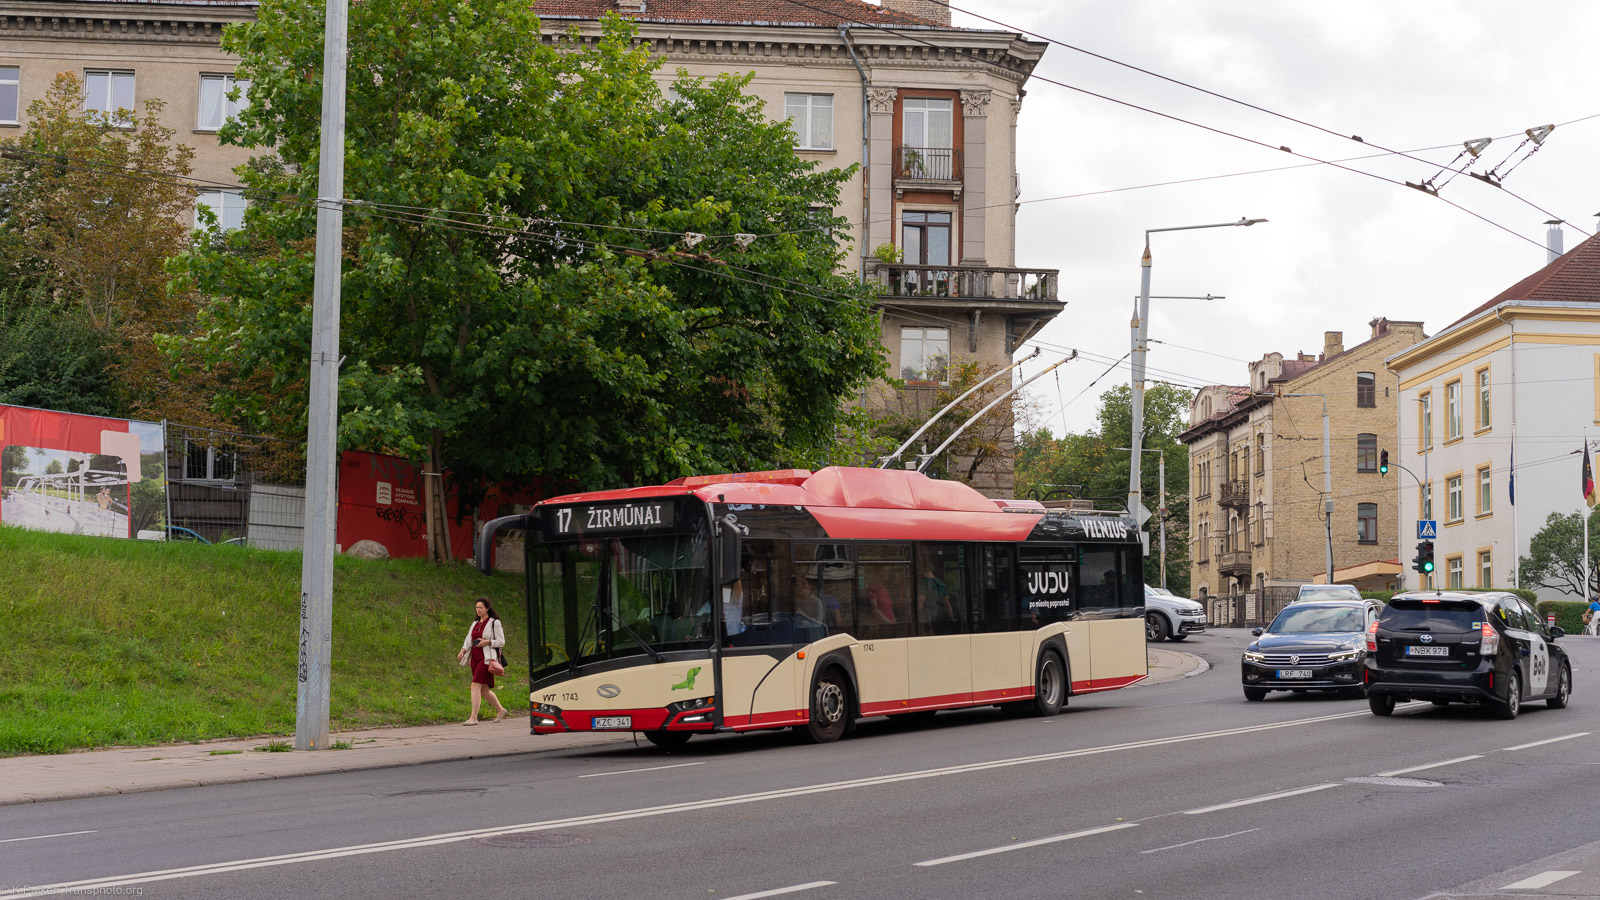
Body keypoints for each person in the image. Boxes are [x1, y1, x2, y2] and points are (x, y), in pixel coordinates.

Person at [457, 597, 508, 725]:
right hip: (475, 658)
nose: (478, 610)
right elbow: (469, 639)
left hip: (487, 658)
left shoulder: (494, 622)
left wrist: (488, 642)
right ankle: (501, 710)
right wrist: (463, 650)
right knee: (484, 689)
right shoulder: (475, 623)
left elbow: (501, 642)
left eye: (481, 607)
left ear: (487, 609)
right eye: (476, 607)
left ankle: (473, 718)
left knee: (475, 685)